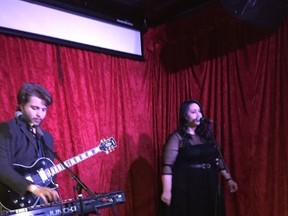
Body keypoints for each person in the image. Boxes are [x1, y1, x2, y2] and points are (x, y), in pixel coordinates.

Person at [161, 99, 238, 216]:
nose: (198, 115)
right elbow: (167, 166)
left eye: (199, 111)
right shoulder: (177, 137)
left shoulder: (206, 136)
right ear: (185, 116)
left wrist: (229, 179)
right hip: (188, 185)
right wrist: (167, 191)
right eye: (193, 112)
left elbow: (217, 159)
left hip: (209, 182)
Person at [0, 83, 59, 211]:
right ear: (21, 106)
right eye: (35, 108)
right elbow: (2, 168)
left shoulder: (47, 137)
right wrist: (33, 188)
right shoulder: (6, 129)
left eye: (43, 110)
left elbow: (49, 169)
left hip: (40, 203)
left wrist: (51, 193)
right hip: (11, 201)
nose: (40, 114)